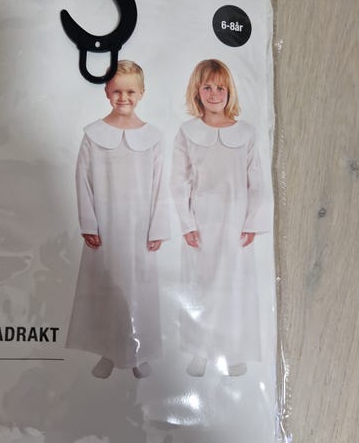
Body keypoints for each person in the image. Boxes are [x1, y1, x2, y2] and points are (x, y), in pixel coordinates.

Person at [66, 60, 169, 379]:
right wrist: (88, 224)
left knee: (138, 292)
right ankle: (107, 352)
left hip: (140, 232)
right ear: (106, 92)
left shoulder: (153, 138)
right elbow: (82, 179)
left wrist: (158, 227)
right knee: (107, 290)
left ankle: (138, 355)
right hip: (106, 229)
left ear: (142, 93)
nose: (123, 98)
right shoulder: (93, 136)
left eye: (130, 91)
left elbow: (160, 185)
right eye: (117, 91)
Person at [171, 59, 271, 377]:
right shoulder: (187, 132)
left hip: (236, 223)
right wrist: (186, 223)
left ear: (230, 92)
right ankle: (200, 350)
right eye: (207, 87)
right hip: (201, 222)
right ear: (197, 91)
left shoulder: (246, 133)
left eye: (220, 88)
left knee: (234, 288)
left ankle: (233, 351)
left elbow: (257, 182)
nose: (214, 94)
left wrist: (252, 223)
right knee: (201, 286)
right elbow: (178, 181)